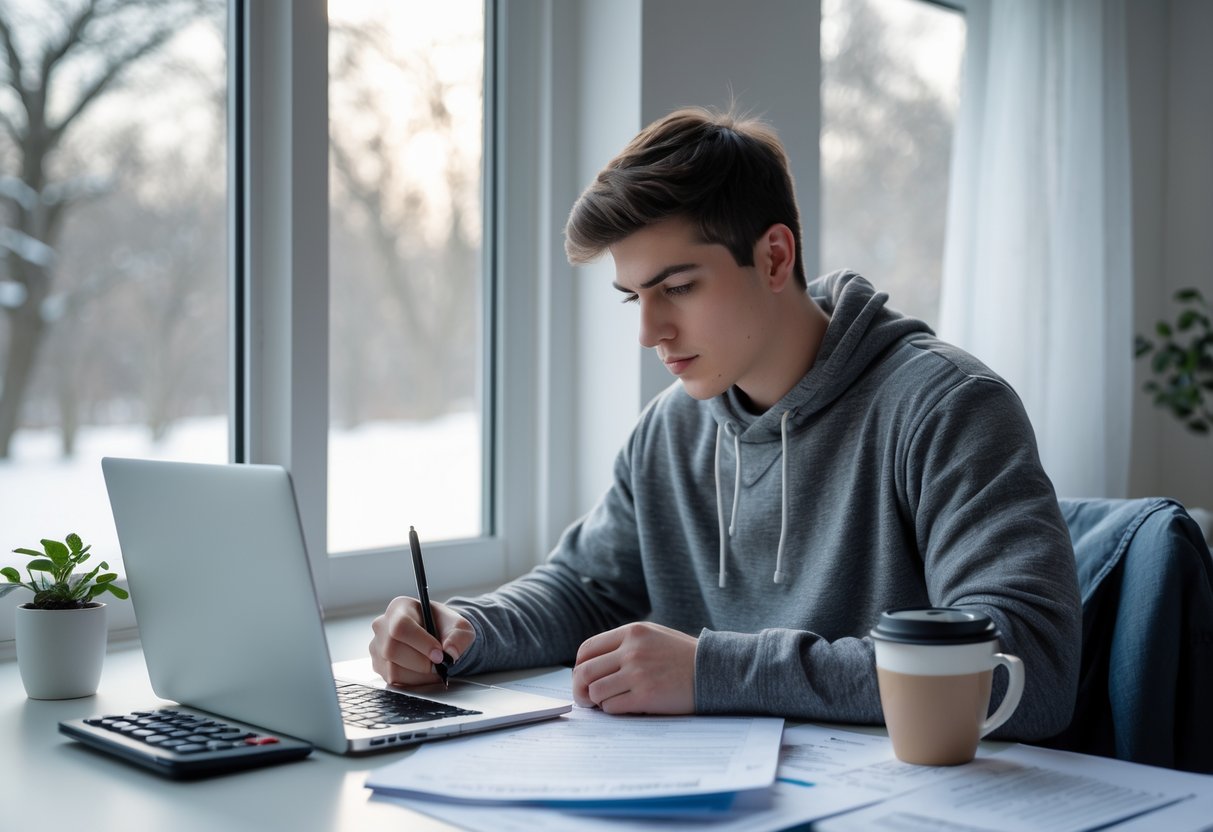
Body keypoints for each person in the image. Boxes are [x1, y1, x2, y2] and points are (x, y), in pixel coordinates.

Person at [370, 107, 1081, 739]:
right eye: (632, 298)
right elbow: (583, 590)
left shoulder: (945, 406)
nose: (649, 332)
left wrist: (714, 671)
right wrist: (463, 630)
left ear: (773, 256)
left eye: (677, 287)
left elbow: (1028, 671)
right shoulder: (668, 431)